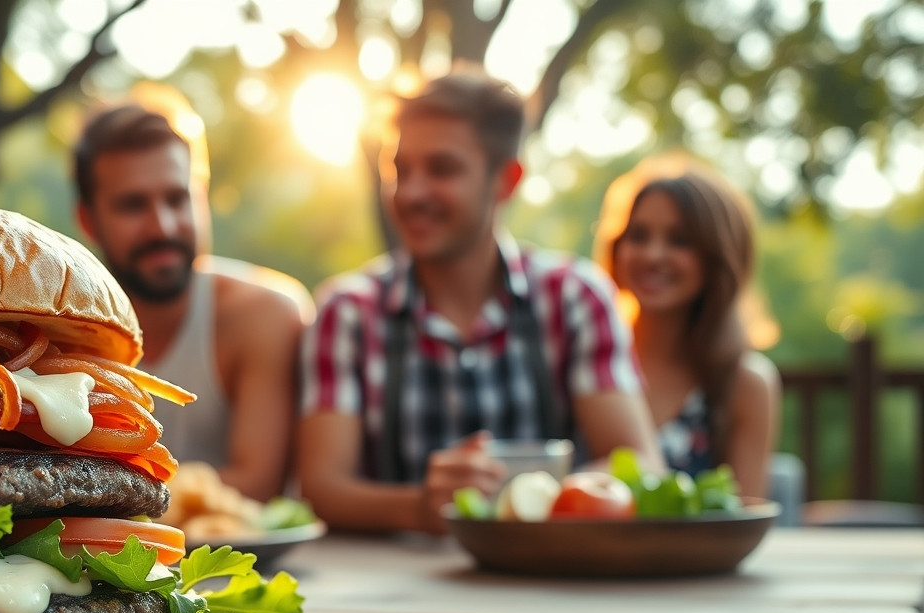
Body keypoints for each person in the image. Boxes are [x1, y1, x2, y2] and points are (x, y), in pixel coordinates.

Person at [298, 70, 663, 534]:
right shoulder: (348, 311)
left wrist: (540, 500)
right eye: (400, 170)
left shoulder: (575, 297)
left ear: (506, 180)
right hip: (394, 576)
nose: (411, 193)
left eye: (442, 169)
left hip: (554, 571)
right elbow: (322, 487)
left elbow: (639, 462)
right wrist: (418, 508)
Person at [72, 101, 308, 502]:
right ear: (88, 221)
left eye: (177, 199)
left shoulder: (264, 315)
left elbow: (258, 485)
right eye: (133, 205)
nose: (161, 226)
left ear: (202, 199)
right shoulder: (63, 334)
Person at [593, 157, 781, 498]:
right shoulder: (587, 357)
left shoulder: (743, 383)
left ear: (717, 257)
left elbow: (744, 514)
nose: (653, 255)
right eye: (638, 235)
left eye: (679, 240)